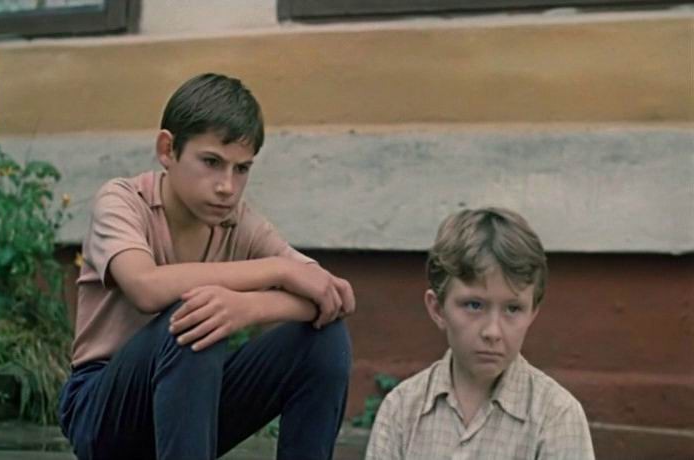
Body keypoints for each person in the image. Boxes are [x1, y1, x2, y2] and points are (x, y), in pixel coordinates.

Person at [58, 73, 355, 460]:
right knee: (197, 315)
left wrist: (248, 307)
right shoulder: (123, 200)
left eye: (241, 169)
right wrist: (279, 271)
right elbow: (146, 287)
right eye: (211, 162)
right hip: (103, 411)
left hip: (189, 403)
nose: (226, 187)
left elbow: (335, 296)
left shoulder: (239, 223)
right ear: (167, 149)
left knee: (324, 341)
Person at [365, 207, 594, 459]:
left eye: (513, 309)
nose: (492, 332)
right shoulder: (401, 410)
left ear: (532, 313)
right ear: (438, 309)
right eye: (474, 305)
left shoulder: (557, 417)